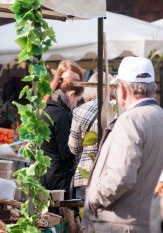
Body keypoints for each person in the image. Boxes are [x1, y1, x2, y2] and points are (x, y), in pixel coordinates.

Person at [84, 56, 163, 233]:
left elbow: (121, 177)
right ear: (153, 88)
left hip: (124, 224)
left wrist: (93, 199)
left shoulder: (130, 120)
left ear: (123, 90)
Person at [41, 60, 84, 199]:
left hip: (46, 175)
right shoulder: (61, 113)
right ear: (71, 94)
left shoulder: (48, 106)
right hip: (58, 181)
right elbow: (67, 152)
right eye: (77, 100)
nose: (76, 105)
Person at [68, 72, 113, 200]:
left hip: (85, 176)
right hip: (111, 174)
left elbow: (74, 148)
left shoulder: (79, 111)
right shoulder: (119, 109)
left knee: (85, 216)